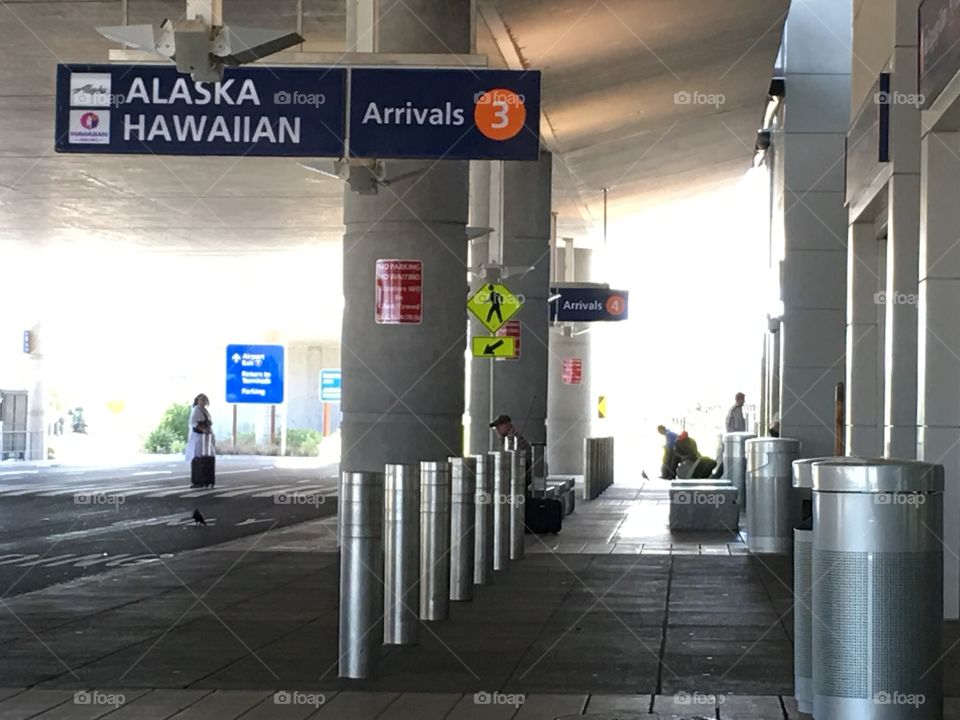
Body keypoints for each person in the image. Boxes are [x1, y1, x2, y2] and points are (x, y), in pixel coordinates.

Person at [185, 393, 216, 487]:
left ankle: (206, 479)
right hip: (198, 437)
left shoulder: (204, 410)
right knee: (198, 458)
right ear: (198, 400)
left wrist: (208, 429)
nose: (203, 402)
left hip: (205, 437)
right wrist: (203, 429)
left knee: (207, 457)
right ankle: (198, 480)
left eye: (204, 400)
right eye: (201, 400)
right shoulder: (196, 410)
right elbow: (193, 423)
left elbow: (209, 422)